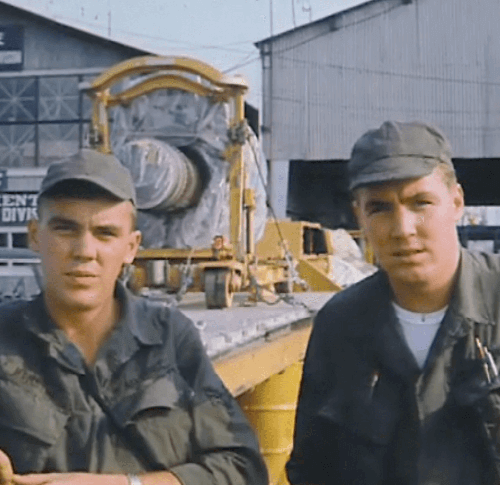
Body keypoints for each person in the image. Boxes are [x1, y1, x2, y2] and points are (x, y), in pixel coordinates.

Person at [0, 149, 268, 485]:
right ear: (36, 236)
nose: (84, 251)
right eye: (65, 229)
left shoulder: (170, 339)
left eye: (105, 234)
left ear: (131, 247)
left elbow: (242, 469)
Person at [286, 121, 500, 485]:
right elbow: (312, 470)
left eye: (421, 203)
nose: (402, 228)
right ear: (360, 216)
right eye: (380, 208)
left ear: (457, 201)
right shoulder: (341, 326)